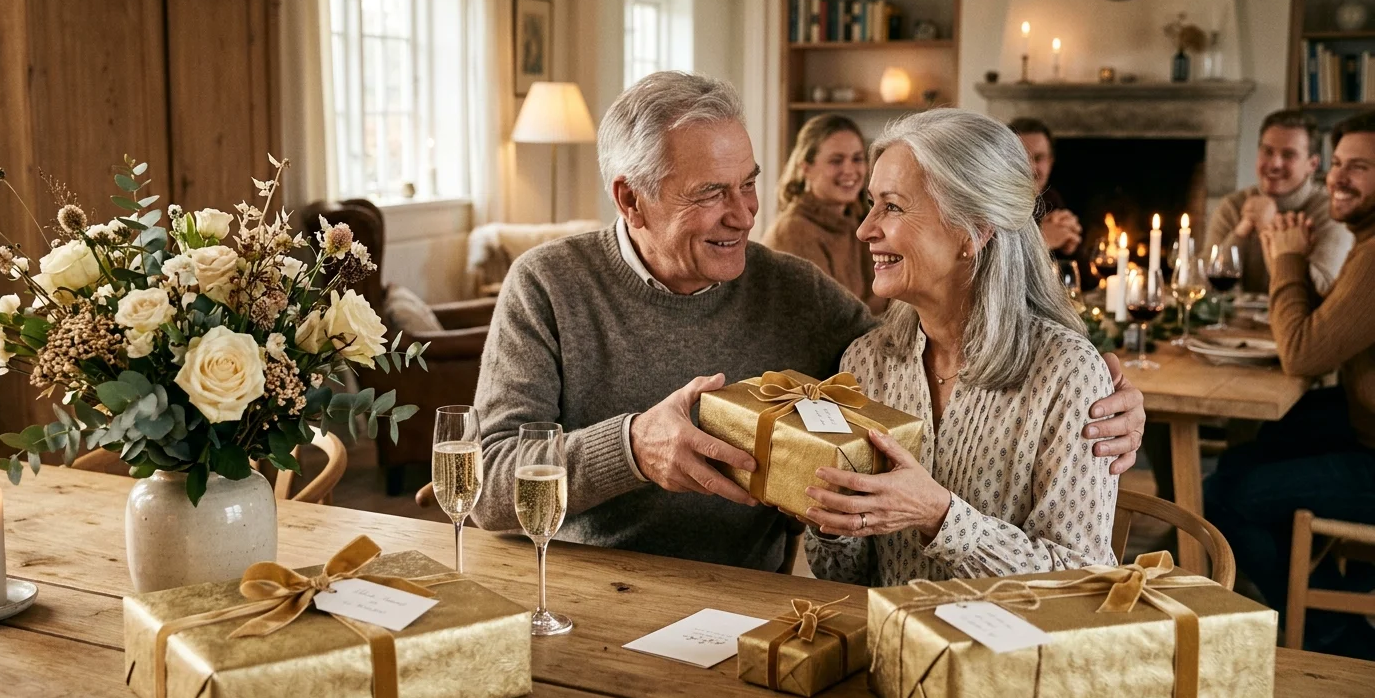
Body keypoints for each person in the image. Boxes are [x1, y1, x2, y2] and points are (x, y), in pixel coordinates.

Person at [464, 72, 1145, 572]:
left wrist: (1108, 400)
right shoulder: (548, 287)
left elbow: (936, 346)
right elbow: (488, 487)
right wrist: (634, 446)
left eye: (749, 183)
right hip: (580, 590)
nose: (744, 213)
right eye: (710, 194)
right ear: (630, 200)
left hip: (741, 602)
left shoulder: (802, 297)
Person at [802, 110, 1119, 585]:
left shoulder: (1067, 374)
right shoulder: (867, 363)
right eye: (871, 204)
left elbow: (1082, 584)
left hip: (1006, 655)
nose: (865, 229)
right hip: (885, 647)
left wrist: (940, 517)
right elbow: (843, 575)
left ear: (973, 230)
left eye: (891, 206)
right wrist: (831, 521)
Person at [1204, 111, 1375, 659]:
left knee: (1228, 494)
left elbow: (1302, 353)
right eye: (1341, 164)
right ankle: (1299, 580)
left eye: (1361, 167)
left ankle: (1327, 626)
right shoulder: (1365, 241)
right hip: (1360, 418)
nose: (1341, 178)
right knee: (1239, 459)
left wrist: (1287, 259)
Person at [1203, 109, 1354, 296]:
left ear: (1312, 165)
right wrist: (1242, 231)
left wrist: (1269, 226)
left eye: (1288, 155)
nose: (1274, 164)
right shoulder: (1233, 205)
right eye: (1267, 151)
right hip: (1240, 324)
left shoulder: (1332, 211)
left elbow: (1320, 293)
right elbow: (1204, 286)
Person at [764, 115, 887, 313]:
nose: (850, 170)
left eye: (857, 159)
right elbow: (827, 321)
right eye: (836, 161)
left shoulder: (857, 219)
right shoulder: (792, 232)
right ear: (806, 169)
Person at [1008, 117, 1083, 258]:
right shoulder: (991, 203)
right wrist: (1040, 239)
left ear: (1050, 162)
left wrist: (1070, 247)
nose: (1031, 167)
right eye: (1022, 158)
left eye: (1038, 158)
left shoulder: (1052, 199)